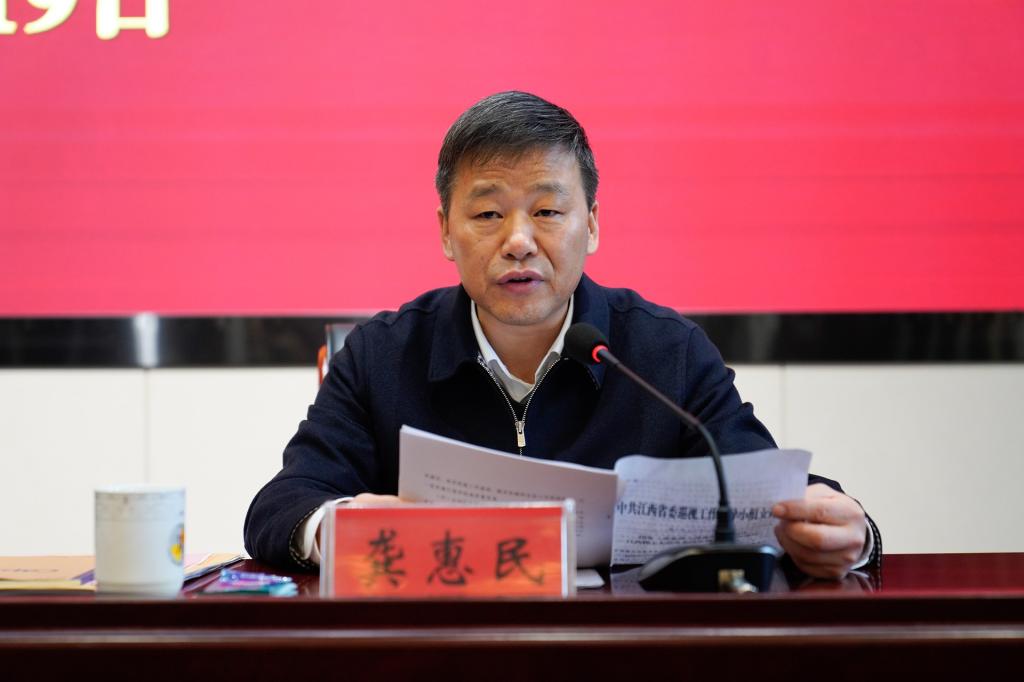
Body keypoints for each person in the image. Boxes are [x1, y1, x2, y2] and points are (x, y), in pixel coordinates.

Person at [244, 91, 880, 579]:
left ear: (592, 224)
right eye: (488, 213)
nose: (519, 241)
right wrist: (344, 524)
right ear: (445, 232)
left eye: (547, 211)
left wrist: (847, 533)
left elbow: (760, 490)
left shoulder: (664, 352)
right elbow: (281, 506)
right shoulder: (382, 355)